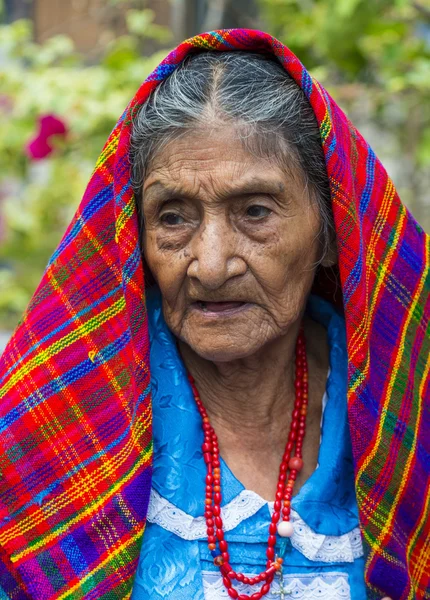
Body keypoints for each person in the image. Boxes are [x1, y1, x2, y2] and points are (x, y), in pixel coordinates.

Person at [0, 29, 428, 600]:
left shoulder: (407, 413)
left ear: (333, 232)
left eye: (255, 211)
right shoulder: (58, 422)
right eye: (173, 217)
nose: (209, 264)